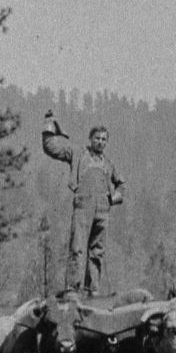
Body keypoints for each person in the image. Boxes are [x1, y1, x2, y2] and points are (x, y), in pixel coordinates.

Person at [42, 113, 124, 296]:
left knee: (97, 251)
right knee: (77, 247)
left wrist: (113, 199)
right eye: (97, 138)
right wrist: (48, 126)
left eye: (104, 139)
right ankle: (73, 287)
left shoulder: (109, 164)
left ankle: (93, 289)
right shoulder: (78, 154)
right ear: (90, 139)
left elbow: (121, 184)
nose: (100, 142)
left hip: (103, 210)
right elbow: (51, 148)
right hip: (83, 206)